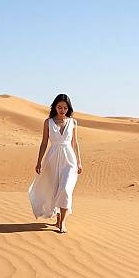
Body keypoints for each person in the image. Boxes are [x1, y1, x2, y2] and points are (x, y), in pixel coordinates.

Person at [28, 93, 83, 233]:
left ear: (68, 108)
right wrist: (39, 161)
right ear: (55, 107)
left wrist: (79, 162)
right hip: (52, 158)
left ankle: (62, 222)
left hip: (69, 159)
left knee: (65, 188)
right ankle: (58, 217)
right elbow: (44, 142)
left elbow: (75, 143)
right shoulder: (48, 122)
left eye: (65, 107)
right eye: (59, 107)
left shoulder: (73, 122)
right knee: (55, 188)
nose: (62, 110)